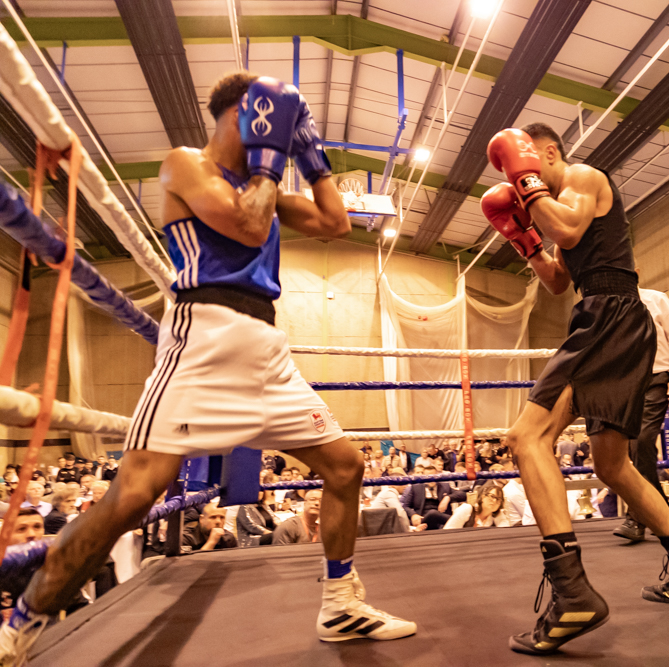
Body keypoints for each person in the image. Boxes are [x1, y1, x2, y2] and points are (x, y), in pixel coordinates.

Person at [0, 73, 415, 662]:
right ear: (245, 111)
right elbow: (247, 225)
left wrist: (311, 156)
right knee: (133, 497)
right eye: (271, 119)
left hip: (266, 346)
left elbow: (335, 222)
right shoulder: (185, 165)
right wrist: (271, 160)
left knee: (345, 467)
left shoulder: (261, 183)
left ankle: (341, 603)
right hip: (203, 340)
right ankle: (21, 624)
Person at [482, 124, 669, 655]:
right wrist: (524, 240)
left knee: (526, 438)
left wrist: (527, 187)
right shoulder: (556, 202)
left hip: (609, 318)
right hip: (612, 319)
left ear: (546, 152)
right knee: (612, 465)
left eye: (525, 166)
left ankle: (572, 594)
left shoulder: (584, 177)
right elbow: (558, 280)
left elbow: (567, 230)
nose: (520, 179)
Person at [614, 286, 669, 542]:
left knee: (641, 441)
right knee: (629, 449)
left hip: (656, 379)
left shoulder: (656, 299)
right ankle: (662, 513)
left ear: (635, 271)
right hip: (623, 382)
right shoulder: (606, 305)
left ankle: (637, 516)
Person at [399, 466, 455, 530]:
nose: (431, 479)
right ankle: (454, 519)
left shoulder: (445, 486)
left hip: (442, 520)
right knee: (432, 513)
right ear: (423, 477)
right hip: (423, 519)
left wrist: (448, 498)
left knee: (434, 513)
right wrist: (413, 515)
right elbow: (405, 506)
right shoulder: (416, 488)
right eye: (428, 476)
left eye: (433, 476)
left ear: (437, 476)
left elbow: (461, 494)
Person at [444, 481, 510, 529]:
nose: (494, 501)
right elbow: (449, 530)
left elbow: (505, 532)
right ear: (483, 497)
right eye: (492, 496)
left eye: (498, 499)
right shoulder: (467, 509)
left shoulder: (497, 515)